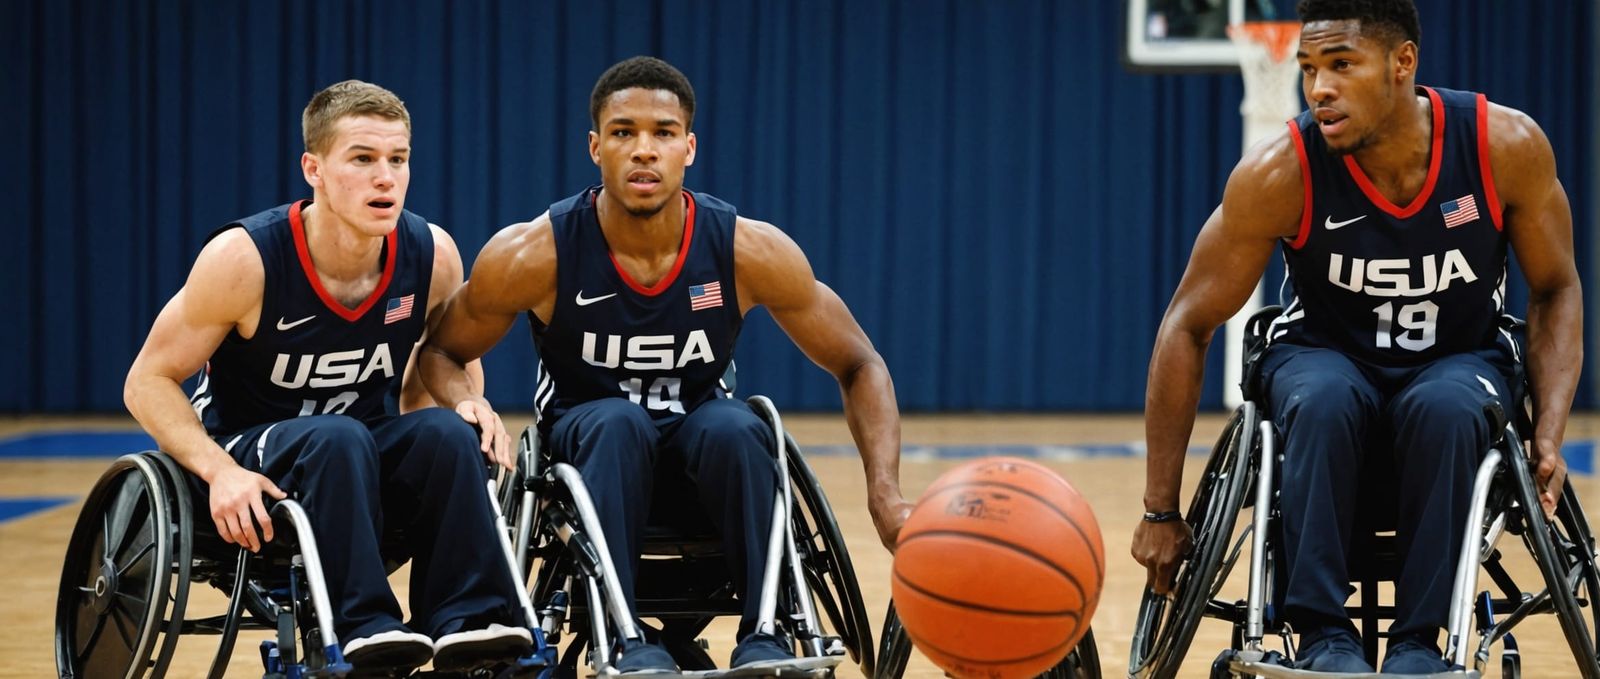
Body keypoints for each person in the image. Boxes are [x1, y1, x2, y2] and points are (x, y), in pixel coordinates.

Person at [418, 56, 914, 673]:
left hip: (702, 457)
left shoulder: (746, 250)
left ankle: (766, 634)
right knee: (616, 421)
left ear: (690, 147)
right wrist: (473, 403)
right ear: (596, 148)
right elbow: (441, 351)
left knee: (740, 426)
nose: (644, 150)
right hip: (589, 454)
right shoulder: (535, 253)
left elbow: (860, 363)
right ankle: (626, 639)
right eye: (624, 133)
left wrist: (885, 498)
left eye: (663, 132)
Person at [1130, 0, 1582, 674]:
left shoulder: (1502, 147)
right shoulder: (1280, 172)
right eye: (1310, 68)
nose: (1319, 88)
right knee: (1322, 396)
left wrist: (1547, 430)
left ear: (1403, 63)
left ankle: (1418, 645)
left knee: (1450, 404)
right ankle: (1321, 638)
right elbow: (1187, 322)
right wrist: (1160, 509)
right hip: (1324, 355)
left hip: (1458, 360)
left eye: (1342, 65)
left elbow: (1556, 287)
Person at [123, 80, 534, 675]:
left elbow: (445, 355)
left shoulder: (431, 254)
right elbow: (148, 381)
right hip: (252, 448)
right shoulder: (245, 260)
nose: (385, 178)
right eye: (363, 159)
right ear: (313, 168)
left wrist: (466, 402)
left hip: (361, 451)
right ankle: (363, 626)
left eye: (398, 160)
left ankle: (467, 621)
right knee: (336, 436)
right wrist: (220, 472)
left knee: (446, 436)